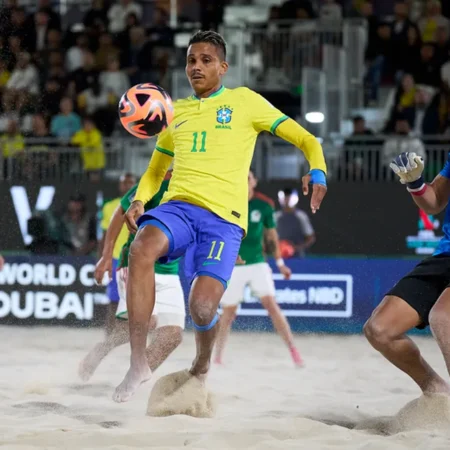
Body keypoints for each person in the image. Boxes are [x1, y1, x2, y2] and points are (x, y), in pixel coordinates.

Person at [115, 30, 327, 403]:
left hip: (224, 219)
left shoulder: (245, 102)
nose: (196, 66)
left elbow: (307, 139)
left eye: (206, 60)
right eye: (191, 60)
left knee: (202, 307)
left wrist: (319, 170)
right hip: (179, 207)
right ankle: (137, 363)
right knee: (140, 249)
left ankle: (201, 363)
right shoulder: (173, 112)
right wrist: (140, 201)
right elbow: (154, 169)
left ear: (223, 67)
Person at [79, 171, 185, 382]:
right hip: (134, 262)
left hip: (169, 268)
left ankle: (135, 378)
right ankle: (104, 349)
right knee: (149, 322)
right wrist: (106, 255)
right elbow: (120, 213)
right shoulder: (155, 183)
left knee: (173, 336)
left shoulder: (200, 188)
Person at [364, 151, 450, 395]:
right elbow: (434, 203)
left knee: (443, 317)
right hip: (445, 255)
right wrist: (415, 183)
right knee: (379, 330)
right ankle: (438, 392)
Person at [213, 170, 303, 366]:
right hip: (233, 265)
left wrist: (280, 264)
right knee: (227, 313)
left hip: (257, 263)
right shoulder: (228, 202)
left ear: (254, 181)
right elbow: (221, 234)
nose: (245, 181)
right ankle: (217, 357)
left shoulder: (264, 205)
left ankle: (293, 350)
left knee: (272, 306)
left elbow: (271, 238)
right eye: (242, 177)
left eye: (248, 178)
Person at [97, 172, 136, 334]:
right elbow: (105, 234)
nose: (126, 186)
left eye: (130, 183)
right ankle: (110, 333)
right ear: (120, 185)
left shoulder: (143, 204)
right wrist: (102, 257)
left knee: (137, 298)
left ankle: (131, 334)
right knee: (114, 298)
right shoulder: (109, 207)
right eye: (124, 183)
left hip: (136, 258)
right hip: (115, 258)